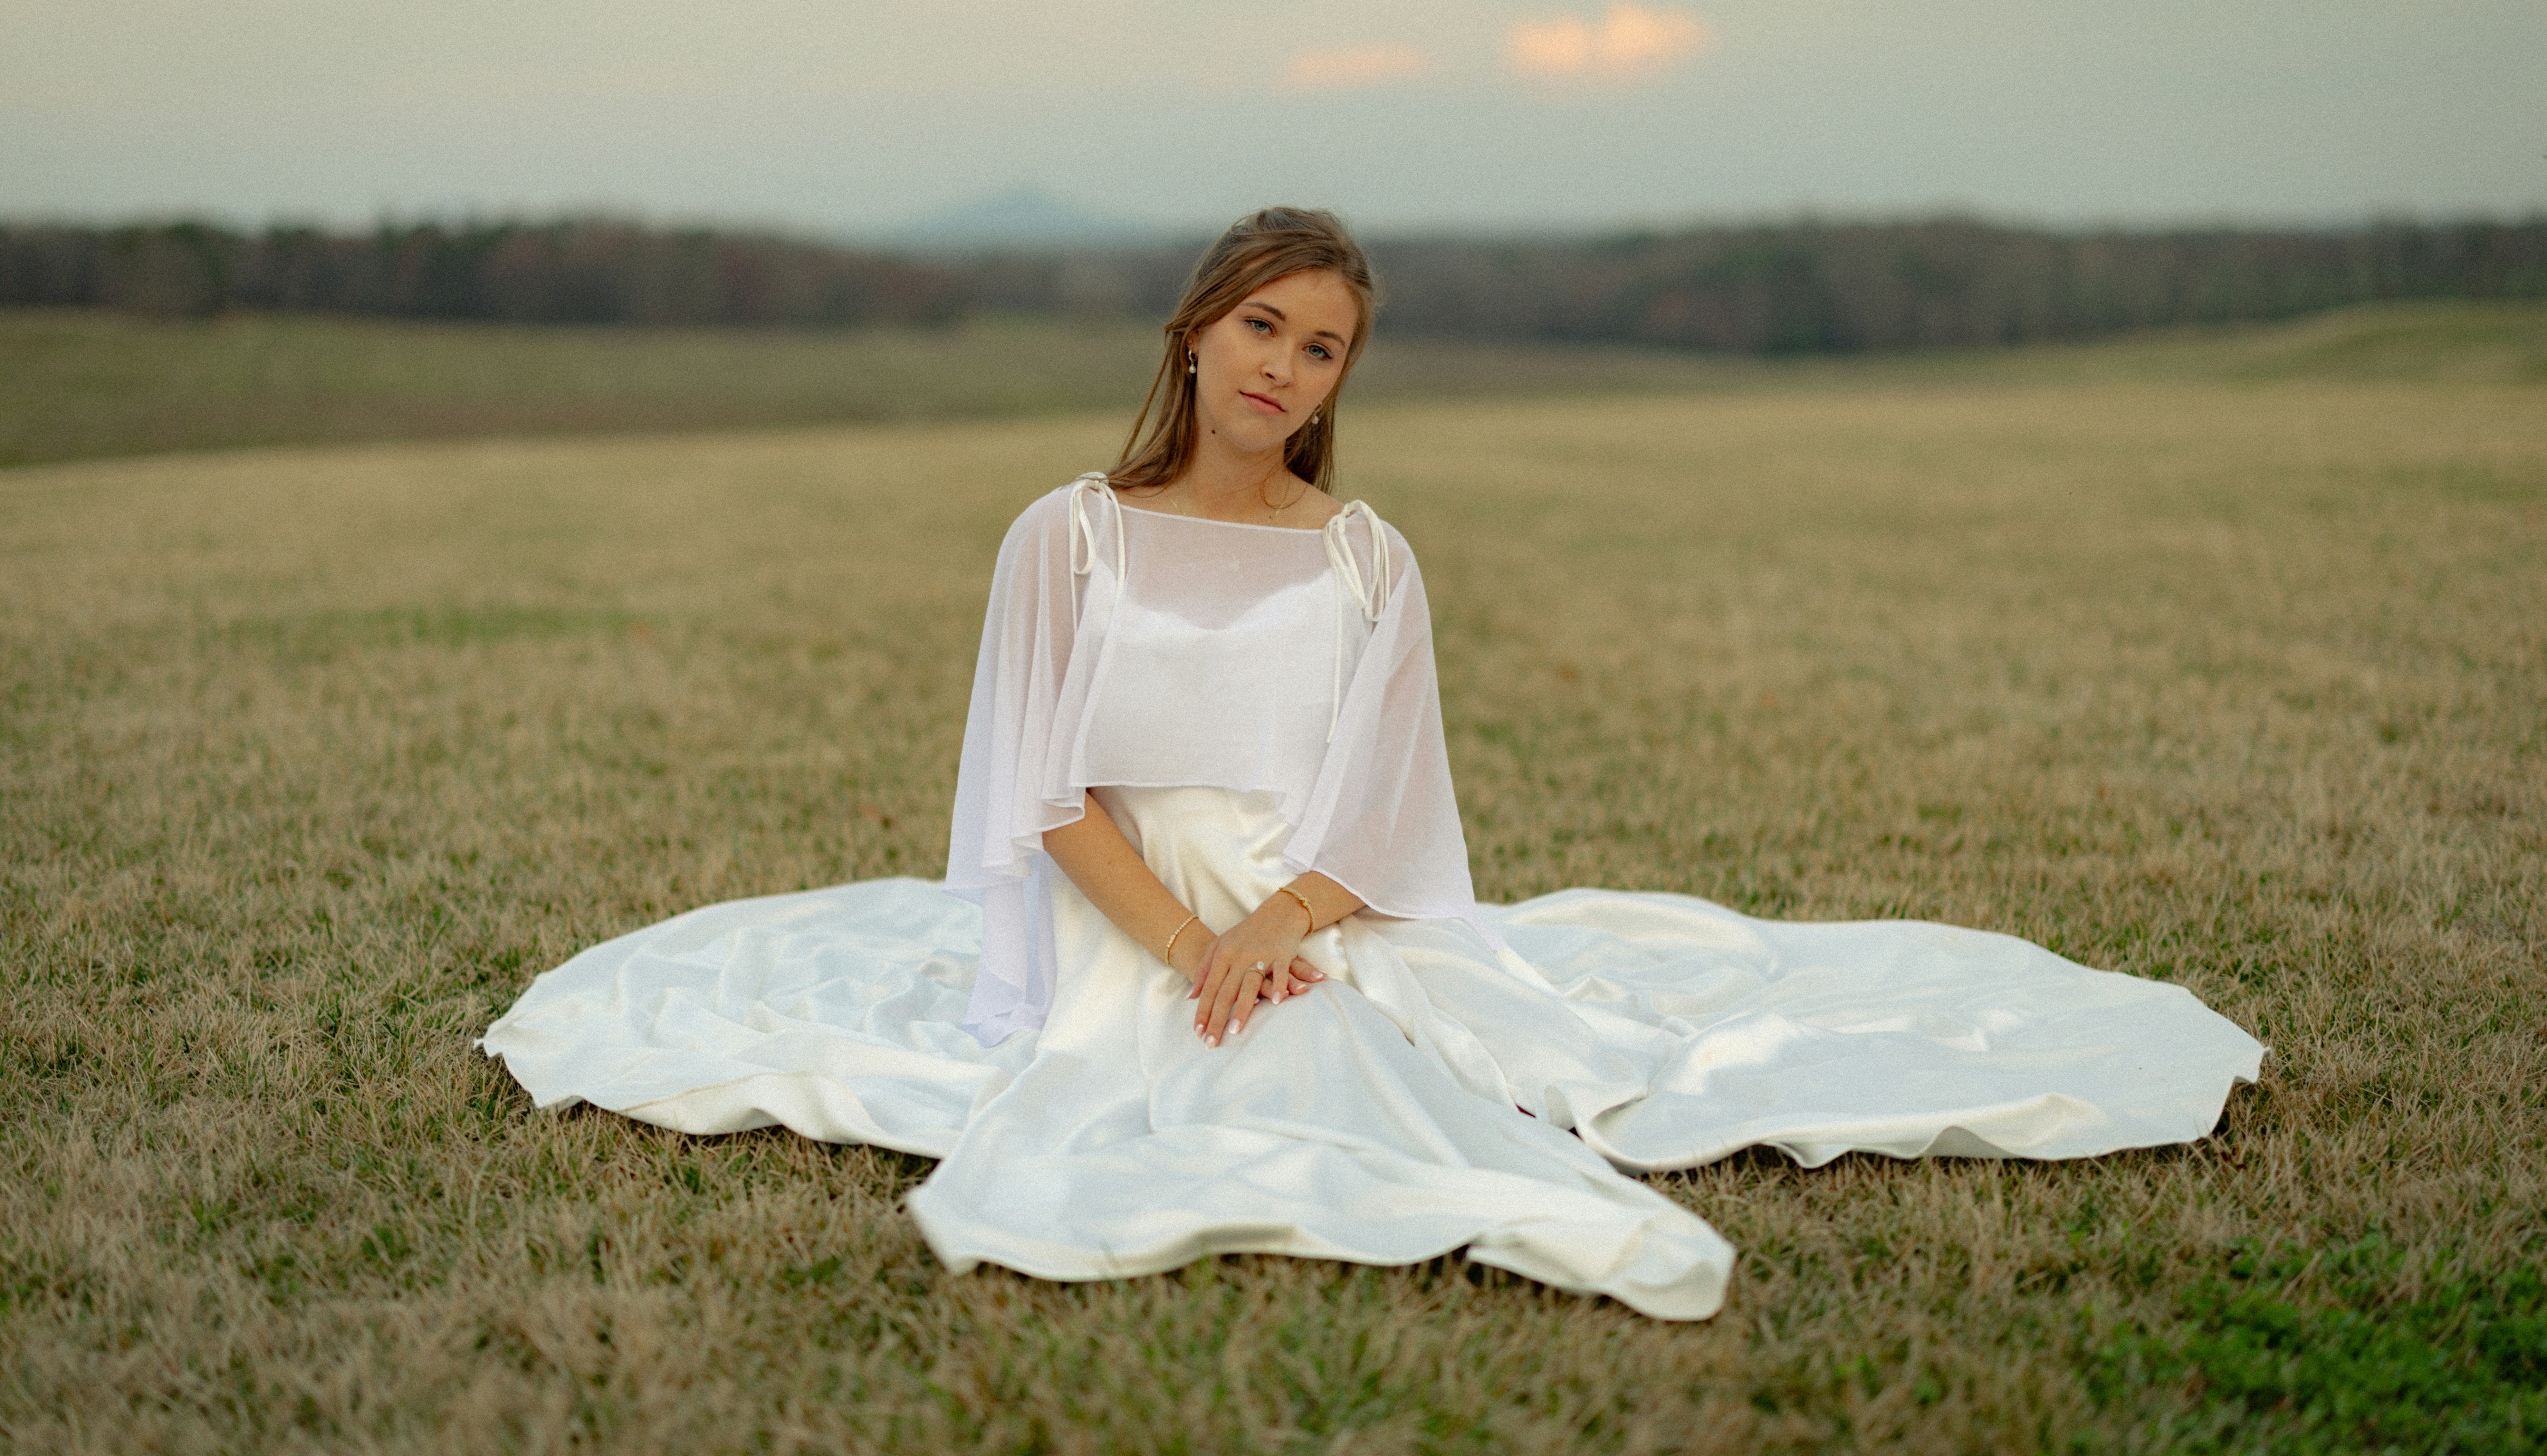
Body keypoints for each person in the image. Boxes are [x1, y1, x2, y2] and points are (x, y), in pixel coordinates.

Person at [481, 206, 2263, 1321]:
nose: (1283, 364)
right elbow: (1041, 795)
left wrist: (1290, 919)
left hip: (1330, 894)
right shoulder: (1068, 536)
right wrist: (1195, 948)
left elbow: (1395, 796)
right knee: (1119, 1069)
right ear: (1198, 330)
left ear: (1337, 380)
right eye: (1261, 324)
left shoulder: (1364, 556)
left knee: (1543, 1046)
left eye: (1319, 345)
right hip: (1124, 908)